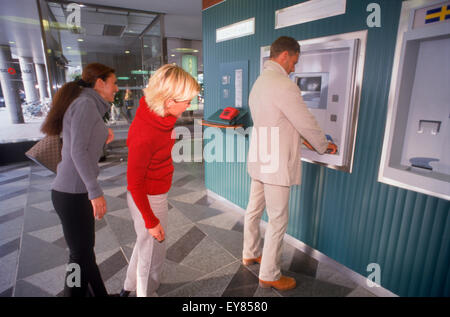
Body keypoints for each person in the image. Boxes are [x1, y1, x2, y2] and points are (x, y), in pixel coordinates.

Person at [242, 36, 337, 291]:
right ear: (284, 55)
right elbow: (304, 120)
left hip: (260, 156)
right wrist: (322, 144)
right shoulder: (284, 85)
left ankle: (250, 252)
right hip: (275, 162)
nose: (294, 67)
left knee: (254, 208)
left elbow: (278, 121)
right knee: (278, 220)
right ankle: (270, 274)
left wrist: (299, 140)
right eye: (294, 61)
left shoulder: (260, 82)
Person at [120, 64, 200, 297]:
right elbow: (134, 183)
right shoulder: (147, 133)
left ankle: (128, 287)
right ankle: (143, 292)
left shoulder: (156, 114)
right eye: (186, 101)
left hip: (155, 193)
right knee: (150, 250)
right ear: (169, 101)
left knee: (145, 243)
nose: (190, 105)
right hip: (147, 196)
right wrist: (150, 220)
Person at [41, 63, 118, 297]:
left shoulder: (86, 103)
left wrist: (104, 135)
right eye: (114, 83)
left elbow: (81, 142)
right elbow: (77, 151)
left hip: (72, 191)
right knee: (78, 256)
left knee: (84, 252)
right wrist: (95, 192)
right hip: (73, 194)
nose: (116, 88)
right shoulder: (85, 104)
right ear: (100, 83)